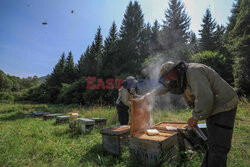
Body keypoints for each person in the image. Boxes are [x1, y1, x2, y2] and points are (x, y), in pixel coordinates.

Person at [148, 61, 238, 167]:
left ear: (174, 70)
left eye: (168, 76)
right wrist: (149, 95)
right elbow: (167, 87)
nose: (168, 79)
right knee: (214, 144)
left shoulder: (194, 72)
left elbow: (205, 98)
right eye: (166, 77)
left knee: (219, 148)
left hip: (224, 106)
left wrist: (195, 117)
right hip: (213, 109)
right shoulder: (180, 76)